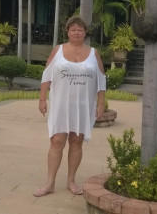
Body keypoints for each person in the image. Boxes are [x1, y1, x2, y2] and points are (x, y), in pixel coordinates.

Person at [33, 16, 106, 197]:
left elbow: (101, 80)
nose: (76, 33)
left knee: (76, 141)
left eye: (80, 30)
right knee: (56, 141)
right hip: (60, 104)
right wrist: (42, 99)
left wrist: (100, 104)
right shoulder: (57, 50)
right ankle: (50, 183)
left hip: (83, 106)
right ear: (67, 32)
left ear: (85, 32)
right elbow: (46, 76)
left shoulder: (93, 53)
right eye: (73, 29)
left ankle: (71, 181)